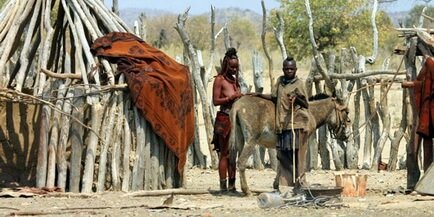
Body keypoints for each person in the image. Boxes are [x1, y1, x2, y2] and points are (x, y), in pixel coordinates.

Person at [255, 56, 309, 194]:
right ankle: (286, 185)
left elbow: (306, 104)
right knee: (283, 155)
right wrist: (258, 95)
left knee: (295, 154)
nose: (289, 71)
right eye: (286, 69)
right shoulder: (280, 82)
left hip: (295, 124)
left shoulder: (299, 84)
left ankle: (300, 183)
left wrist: (297, 98)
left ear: (296, 70)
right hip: (282, 124)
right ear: (283, 69)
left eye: (291, 69)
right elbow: (274, 97)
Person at [212, 48, 243, 192]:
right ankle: (223, 186)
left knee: (233, 154)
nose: (234, 69)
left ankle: (232, 185)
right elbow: (215, 101)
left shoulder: (235, 81)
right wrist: (230, 98)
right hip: (224, 119)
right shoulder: (220, 80)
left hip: (235, 120)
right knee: (224, 153)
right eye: (231, 66)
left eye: (236, 67)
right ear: (225, 65)